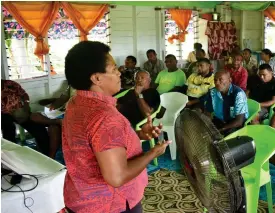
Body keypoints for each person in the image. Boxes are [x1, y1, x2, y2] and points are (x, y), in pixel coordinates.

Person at [62, 41, 170, 213]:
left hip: (81, 197)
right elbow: (117, 177)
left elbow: (99, 142)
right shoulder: (104, 116)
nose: (119, 72)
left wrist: (137, 135)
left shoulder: (76, 102)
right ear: (97, 78)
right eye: (113, 69)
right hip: (111, 203)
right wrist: (153, 152)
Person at [1, 79, 50, 156]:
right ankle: (11, 155)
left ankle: (47, 155)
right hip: (4, 114)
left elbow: (24, 94)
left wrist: (26, 106)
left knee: (39, 129)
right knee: (8, 127)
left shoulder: (10, 84)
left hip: (19, 110)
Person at [202, 70, 248, 136]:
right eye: (215, 80)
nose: (217, 83)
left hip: (234, 123)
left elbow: (239, 121)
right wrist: (207, 125)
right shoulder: (212, 92)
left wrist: (220, 130)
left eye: (221, 79)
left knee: (223, 141)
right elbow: (207, 113)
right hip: (219, 121)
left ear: (230, 80)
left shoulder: (238, 94)